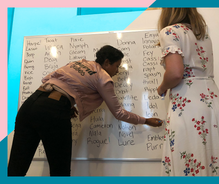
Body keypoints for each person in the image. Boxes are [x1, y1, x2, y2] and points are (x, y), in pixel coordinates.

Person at [8, 45, 163, 176]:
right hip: (52, 110)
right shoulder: (103, 77)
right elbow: (119, 112)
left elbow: (51, 80)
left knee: (16, 167)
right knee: (59, 171)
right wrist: (146, 120)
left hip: (30, 104)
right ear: (107, 62)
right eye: (116, 66)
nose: (116, 72)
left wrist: (66, 105)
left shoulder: (78, 63)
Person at [157, 8, 219, 176]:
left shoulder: (169, 31)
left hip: (189, 106)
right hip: (215, 103)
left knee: (189, 163)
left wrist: (161, 88)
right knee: (216, 161)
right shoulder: (203, 35)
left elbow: (176, 73)